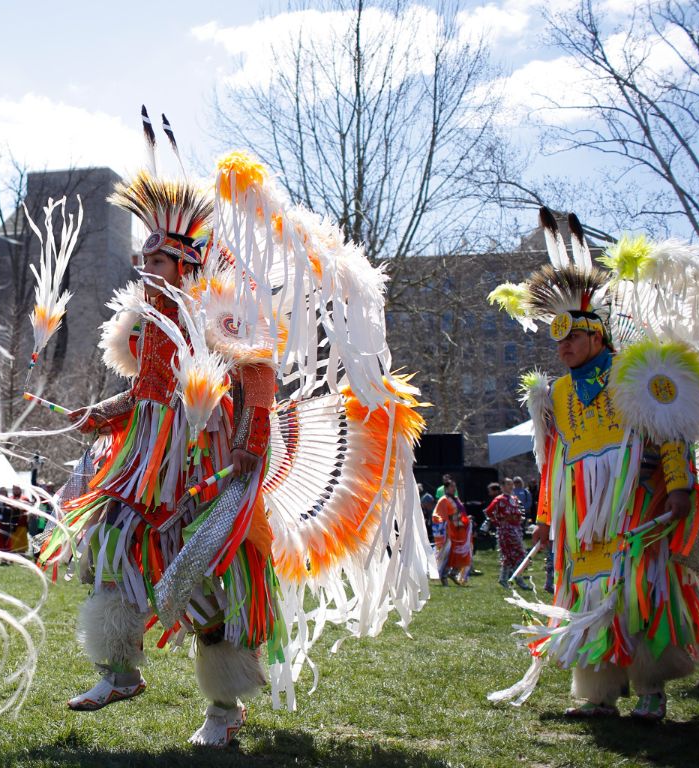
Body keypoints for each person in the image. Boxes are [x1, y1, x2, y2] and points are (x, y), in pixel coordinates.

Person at [37, 147, 430, 747]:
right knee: (110, 543)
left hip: (207, 461)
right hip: (142, 467)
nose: (144, 266)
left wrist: (250, 443)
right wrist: (102, 415)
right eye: (142, 255)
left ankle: (223, 710)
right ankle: (117, 672)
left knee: (211, 580)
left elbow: (257, 379)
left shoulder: (220, 307)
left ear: (185, 260)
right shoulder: (145, 323)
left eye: (157, 258)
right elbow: (147, 396)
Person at [487, 211, 699, 722]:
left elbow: (671, 434)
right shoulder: (557, 392)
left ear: (596, 334)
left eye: (572, 337)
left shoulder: (634, 371)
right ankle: (597, 695)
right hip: (582, 513)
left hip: (632, 502)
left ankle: (650, 692)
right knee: (588, 592)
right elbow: (555, 462)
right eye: (557, 340)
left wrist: (678, 489)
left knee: (636, 589)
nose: (563, 346)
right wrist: (548, 518)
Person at [486, 482, 529, 590]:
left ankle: (504, 578)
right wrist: (497, 522)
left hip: (516, 529)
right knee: (515, 554)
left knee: (511, 556)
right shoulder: (499, 499)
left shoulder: (514, 498)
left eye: (511, 485)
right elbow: (489, 511)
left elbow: (520, 512)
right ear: (503, 487)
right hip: (505, 531)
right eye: (508, 485)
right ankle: (518, 579)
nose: (511, 486)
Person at [436, 481, 472, 586]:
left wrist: (466, 519)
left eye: (455, 486)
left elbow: (461, 513)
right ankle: (443, 575)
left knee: (461, 554)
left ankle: (454, 573)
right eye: (452, 486)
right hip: (450, 532)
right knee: (449, 554)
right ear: (446, 488)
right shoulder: (443, 500)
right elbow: (439, 515)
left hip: (460, 531)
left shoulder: (456, 499)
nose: (454, 488)